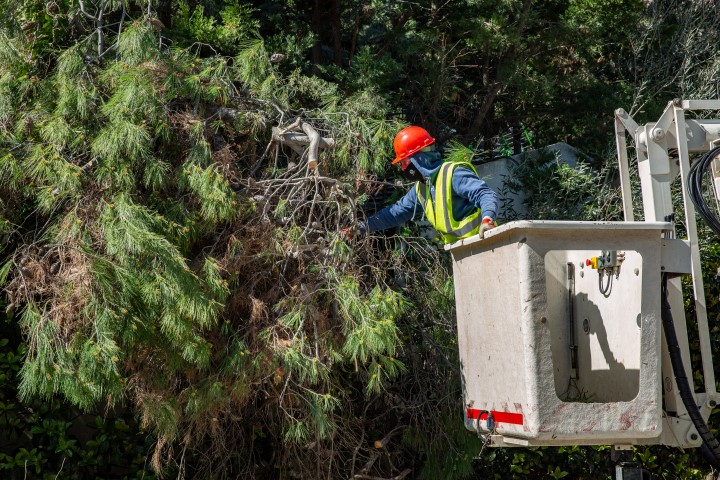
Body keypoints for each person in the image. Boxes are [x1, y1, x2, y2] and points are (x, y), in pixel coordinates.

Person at [359, 126, 499, 243]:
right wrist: (360, 227)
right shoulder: (421, 188)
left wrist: (487, 219)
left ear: (419, 158)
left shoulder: (454, 174)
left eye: (405, 161)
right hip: (460, 251)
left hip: (485, 243)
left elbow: (485, 194)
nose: (403, 168)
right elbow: (395, 213)